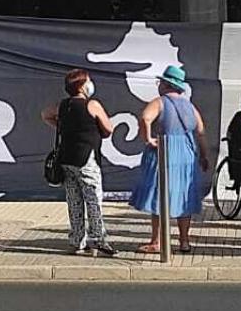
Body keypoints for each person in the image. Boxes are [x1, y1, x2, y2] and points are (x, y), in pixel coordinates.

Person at [130, 65, 208, 253]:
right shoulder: (190, 106)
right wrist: (204, 156)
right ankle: (184, 241)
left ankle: (157, 241)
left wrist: (148, 138)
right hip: (186, 153)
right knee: (184, 197)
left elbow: (145, 118)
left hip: (164, 150)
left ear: (165, 84)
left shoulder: (160, 102)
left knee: (160, 195)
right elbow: (201, 132)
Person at [42, 69, 116, 256]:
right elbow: (108, 129)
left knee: (74, 200)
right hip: (86, 158)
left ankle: (77, 240)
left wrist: (62, 127)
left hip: (66, 158)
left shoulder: (63, 105)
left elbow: (45, 114)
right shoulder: (92, 105)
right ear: (82, 86)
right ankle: (97, 238)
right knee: (93, 199)